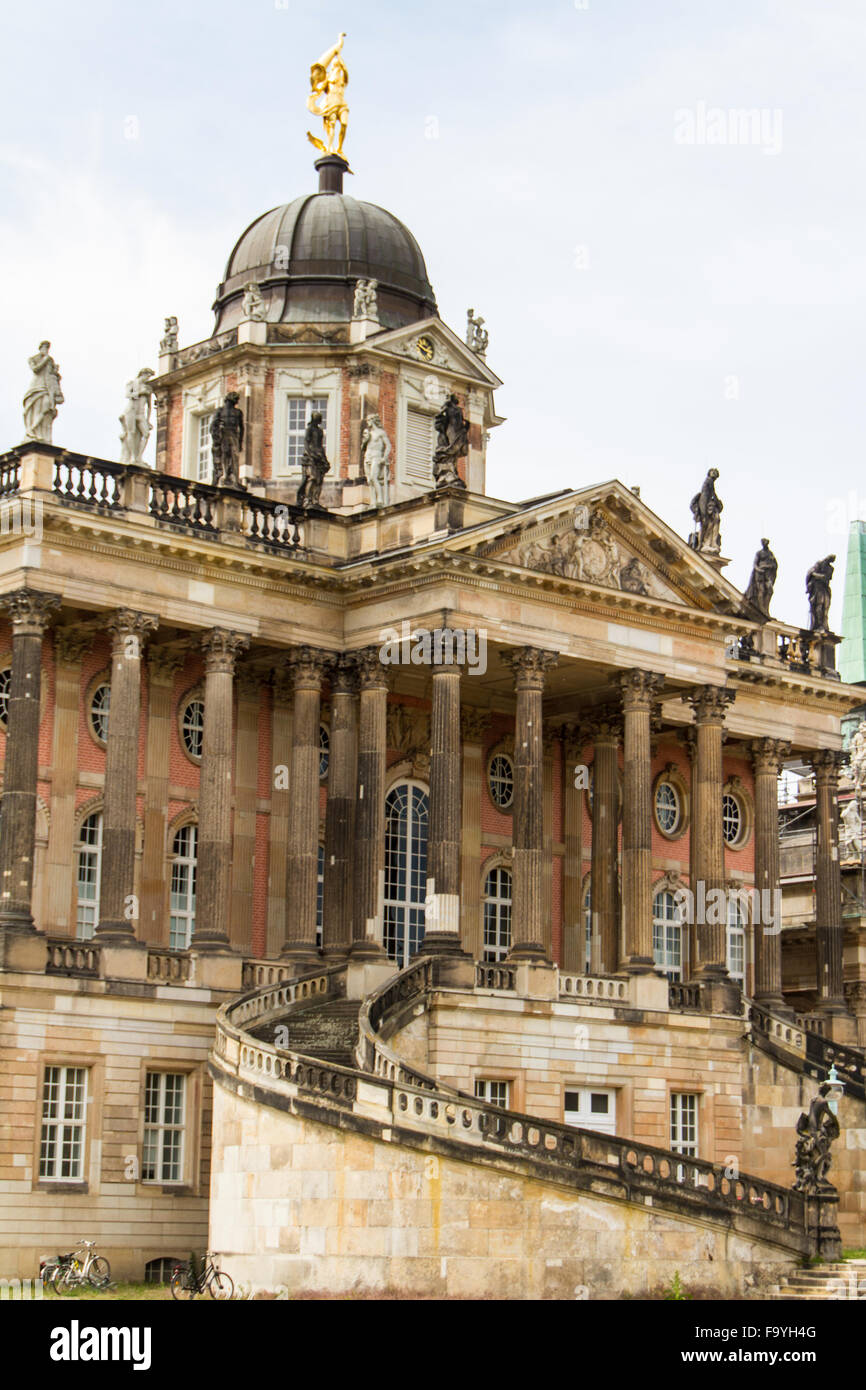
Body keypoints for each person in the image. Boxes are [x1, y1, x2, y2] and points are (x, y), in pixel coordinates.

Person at [23, 341, 64, 443]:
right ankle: (32, 431)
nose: (46, 350)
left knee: (46, 407)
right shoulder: (33, 358)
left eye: (47, 348)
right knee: (34, 408)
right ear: (40, 348)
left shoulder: (51, 360)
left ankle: (42, 435)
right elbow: (35, 369)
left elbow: (52, 375)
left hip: (47, 387)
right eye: (44, 347)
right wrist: (45, 360)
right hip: (36, 386)